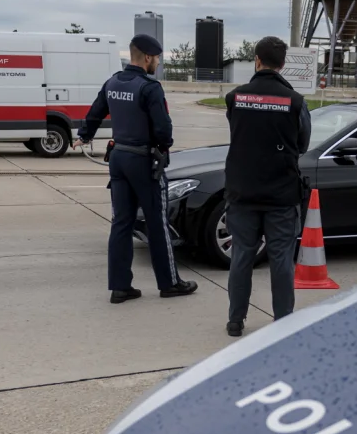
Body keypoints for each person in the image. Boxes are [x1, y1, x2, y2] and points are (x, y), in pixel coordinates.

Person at [74, 34, 198, 303]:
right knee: (157, 224)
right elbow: (163, 129)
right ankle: (170, 283)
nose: (157, 63)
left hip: (118, 158)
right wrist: (164, 147)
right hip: (143, 161)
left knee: (121, 223)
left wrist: (84, 135)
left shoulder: (112, 82)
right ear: (147, 57)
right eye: (157, 59)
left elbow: (95, 112)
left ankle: (120, 287)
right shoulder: (149, 88)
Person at [222, 36, 312, 338]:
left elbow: (238, 131)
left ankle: (235, 320)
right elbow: (302, 144)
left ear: (256, 60)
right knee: (281, 260)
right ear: (283, 65)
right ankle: (283, 321)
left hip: (242, 192)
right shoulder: (295, 102)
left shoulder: (235, 97)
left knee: (242, 257)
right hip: (281, 194)